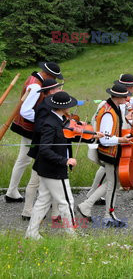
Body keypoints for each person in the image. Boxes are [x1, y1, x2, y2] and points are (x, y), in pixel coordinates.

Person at [25, 91, 102, 240]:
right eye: (68, 106)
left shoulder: (60, 120)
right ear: (62, 108)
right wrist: (65, 161)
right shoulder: (50, 124)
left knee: (43, 201)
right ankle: (72, 235)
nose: (70, 108)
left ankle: (31, 233)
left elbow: (71, 134)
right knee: (66, 201)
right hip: (54, 169)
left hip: (47, 169)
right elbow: (44, 149)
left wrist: (92, 136)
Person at [86, 74, 133, 206]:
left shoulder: (120, 103)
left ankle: (130, 188)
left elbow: (124, 114)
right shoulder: (110, 107)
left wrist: (132, 118)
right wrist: (121, 138)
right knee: (109, 172)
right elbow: (113, 124)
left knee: (111, 170)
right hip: (110, 141)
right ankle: (92, 198)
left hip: (115, 139)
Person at [77, 84, 133, 227]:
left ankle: (87, 205)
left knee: (112, 182)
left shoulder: (112, 108)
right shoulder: (109, 113)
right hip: (109, 152)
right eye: (125, 96)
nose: (127, 98)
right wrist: (121, 139)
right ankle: (108, 215)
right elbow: (105, 139)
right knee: (112, 184)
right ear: (119, 97)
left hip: (110, 151)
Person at [6, 62, 63, 202]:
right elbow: (25, 111)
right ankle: (38, 195)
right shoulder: (37, 85)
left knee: (23, 159)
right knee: (40, 158)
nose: (54, 81)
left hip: (27, 127)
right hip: (30, 129)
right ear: (48, 75)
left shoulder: (33, 79)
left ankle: (12, 191)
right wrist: (44, 121)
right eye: (54, 78)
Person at [21, 79, 63, 221]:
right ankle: (27, 210)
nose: (59, 90)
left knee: (55, 179)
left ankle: (56, 213)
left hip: (51, 147)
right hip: (43, 148)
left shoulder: (51, 104)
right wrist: (56, 129)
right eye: (57, 89)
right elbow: (40, 128)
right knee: (36, 181)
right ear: (51, 91)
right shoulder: (44, 107)